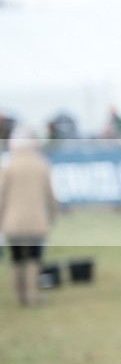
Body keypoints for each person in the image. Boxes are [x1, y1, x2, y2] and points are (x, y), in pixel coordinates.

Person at [0, 126, 57, 306]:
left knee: (17, 258)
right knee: (34, 257)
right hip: (37, 221)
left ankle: (20, 296)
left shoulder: (8, 167)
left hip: (13, 222)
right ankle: (32, 296)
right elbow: (51, 196)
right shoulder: (42, 165)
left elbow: (1, 196)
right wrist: (52, 216)